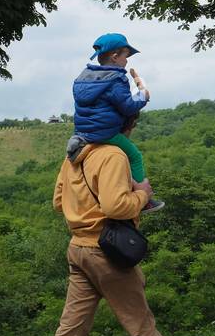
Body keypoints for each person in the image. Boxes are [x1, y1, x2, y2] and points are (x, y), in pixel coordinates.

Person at [31, 137, 207, 336]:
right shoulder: (113, 155)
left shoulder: (73, 155)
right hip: (107, 253)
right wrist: (142, 195)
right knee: (142, 329)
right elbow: (116, 207)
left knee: (69, 333)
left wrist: (85, 214)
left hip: (78, 250)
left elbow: (58, 201)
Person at [66, 32, 163, 213]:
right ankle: (143, 196)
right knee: (135, 156)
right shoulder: (116, 78)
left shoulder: (82, 79)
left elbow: (58, 202)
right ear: (115, 56)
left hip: (83, 133)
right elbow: (127, 107)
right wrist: (143, 97)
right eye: (126, 56)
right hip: (106, 133)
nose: (127, 61)